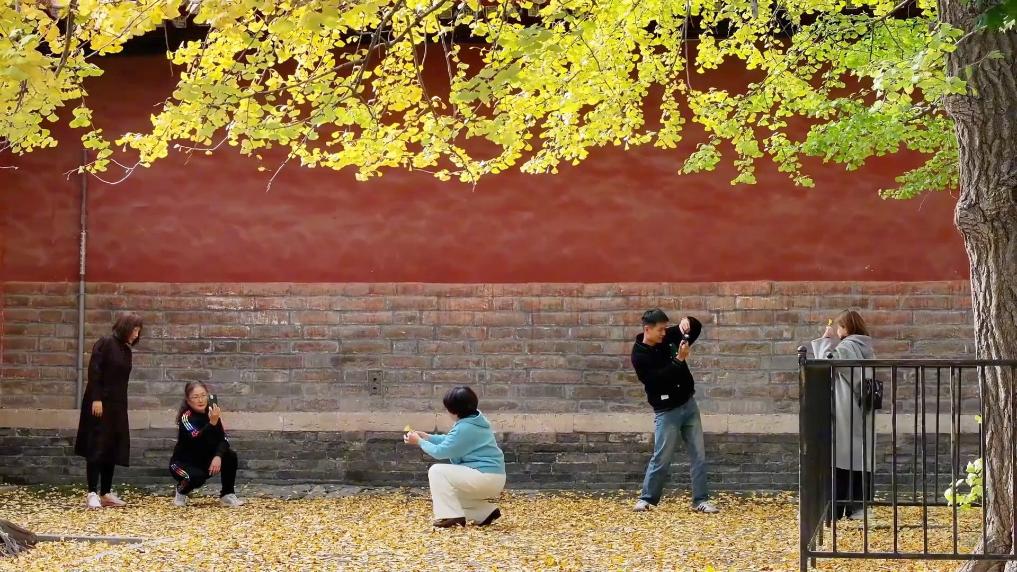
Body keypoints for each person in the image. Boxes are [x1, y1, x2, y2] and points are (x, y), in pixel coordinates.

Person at [631, 308, 719, 514]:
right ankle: (646, 499)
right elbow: (657, 381)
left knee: (698, 455)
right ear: (647, 329)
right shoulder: (639, 355)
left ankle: (701, 500)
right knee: (661, 457)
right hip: (666, 411)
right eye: (660, 330)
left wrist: (688, 321)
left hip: (688, 404)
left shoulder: (668, 336)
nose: (665, 333)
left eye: (666, 328)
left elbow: (695, 329)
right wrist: (679, 358)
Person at [403, 386, 506, 528]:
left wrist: (419, 442)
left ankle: (451, 515)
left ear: (454, 411)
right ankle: (485, 512)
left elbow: (440, 452)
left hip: (484, 477)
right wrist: (428, 437)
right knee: (448, 494)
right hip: (492, 478)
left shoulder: (465, 428)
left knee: (437, 471)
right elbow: (452, 440)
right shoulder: (476, 421)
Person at [74, 312, 143, 509]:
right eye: (134, 330)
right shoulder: (105, 343)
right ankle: (92, 492)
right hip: (99, 404)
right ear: (125, 327)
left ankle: (105, 492)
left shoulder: (126, 351)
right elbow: (94, 371)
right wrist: (96, 398)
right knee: (97, 445)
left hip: (117, 405)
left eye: (139, 331)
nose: (136, 334)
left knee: (112, 447)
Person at [812, 310, 876, 521]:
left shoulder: (848, 346)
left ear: (846, 328)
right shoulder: (865, 347)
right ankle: (858, 507)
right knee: (859, 457)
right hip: (860, 408)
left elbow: (825, 364)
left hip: (845, 407)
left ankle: (836, 508)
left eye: (839, 326)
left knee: (840, 456)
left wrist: (825, 340)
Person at [169, 381, 244, 507]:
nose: (200, 400)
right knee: (196, 478)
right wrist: (212, 423)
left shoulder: (212, 413)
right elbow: (196, 440)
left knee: (230, 455)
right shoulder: (186, 418)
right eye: (195, 397)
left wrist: (218, 456)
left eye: (203, 395)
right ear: (188, 400)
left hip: (204, 459)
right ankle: (181, 491)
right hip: (183, 463)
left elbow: (223, 439)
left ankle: (227, 494)